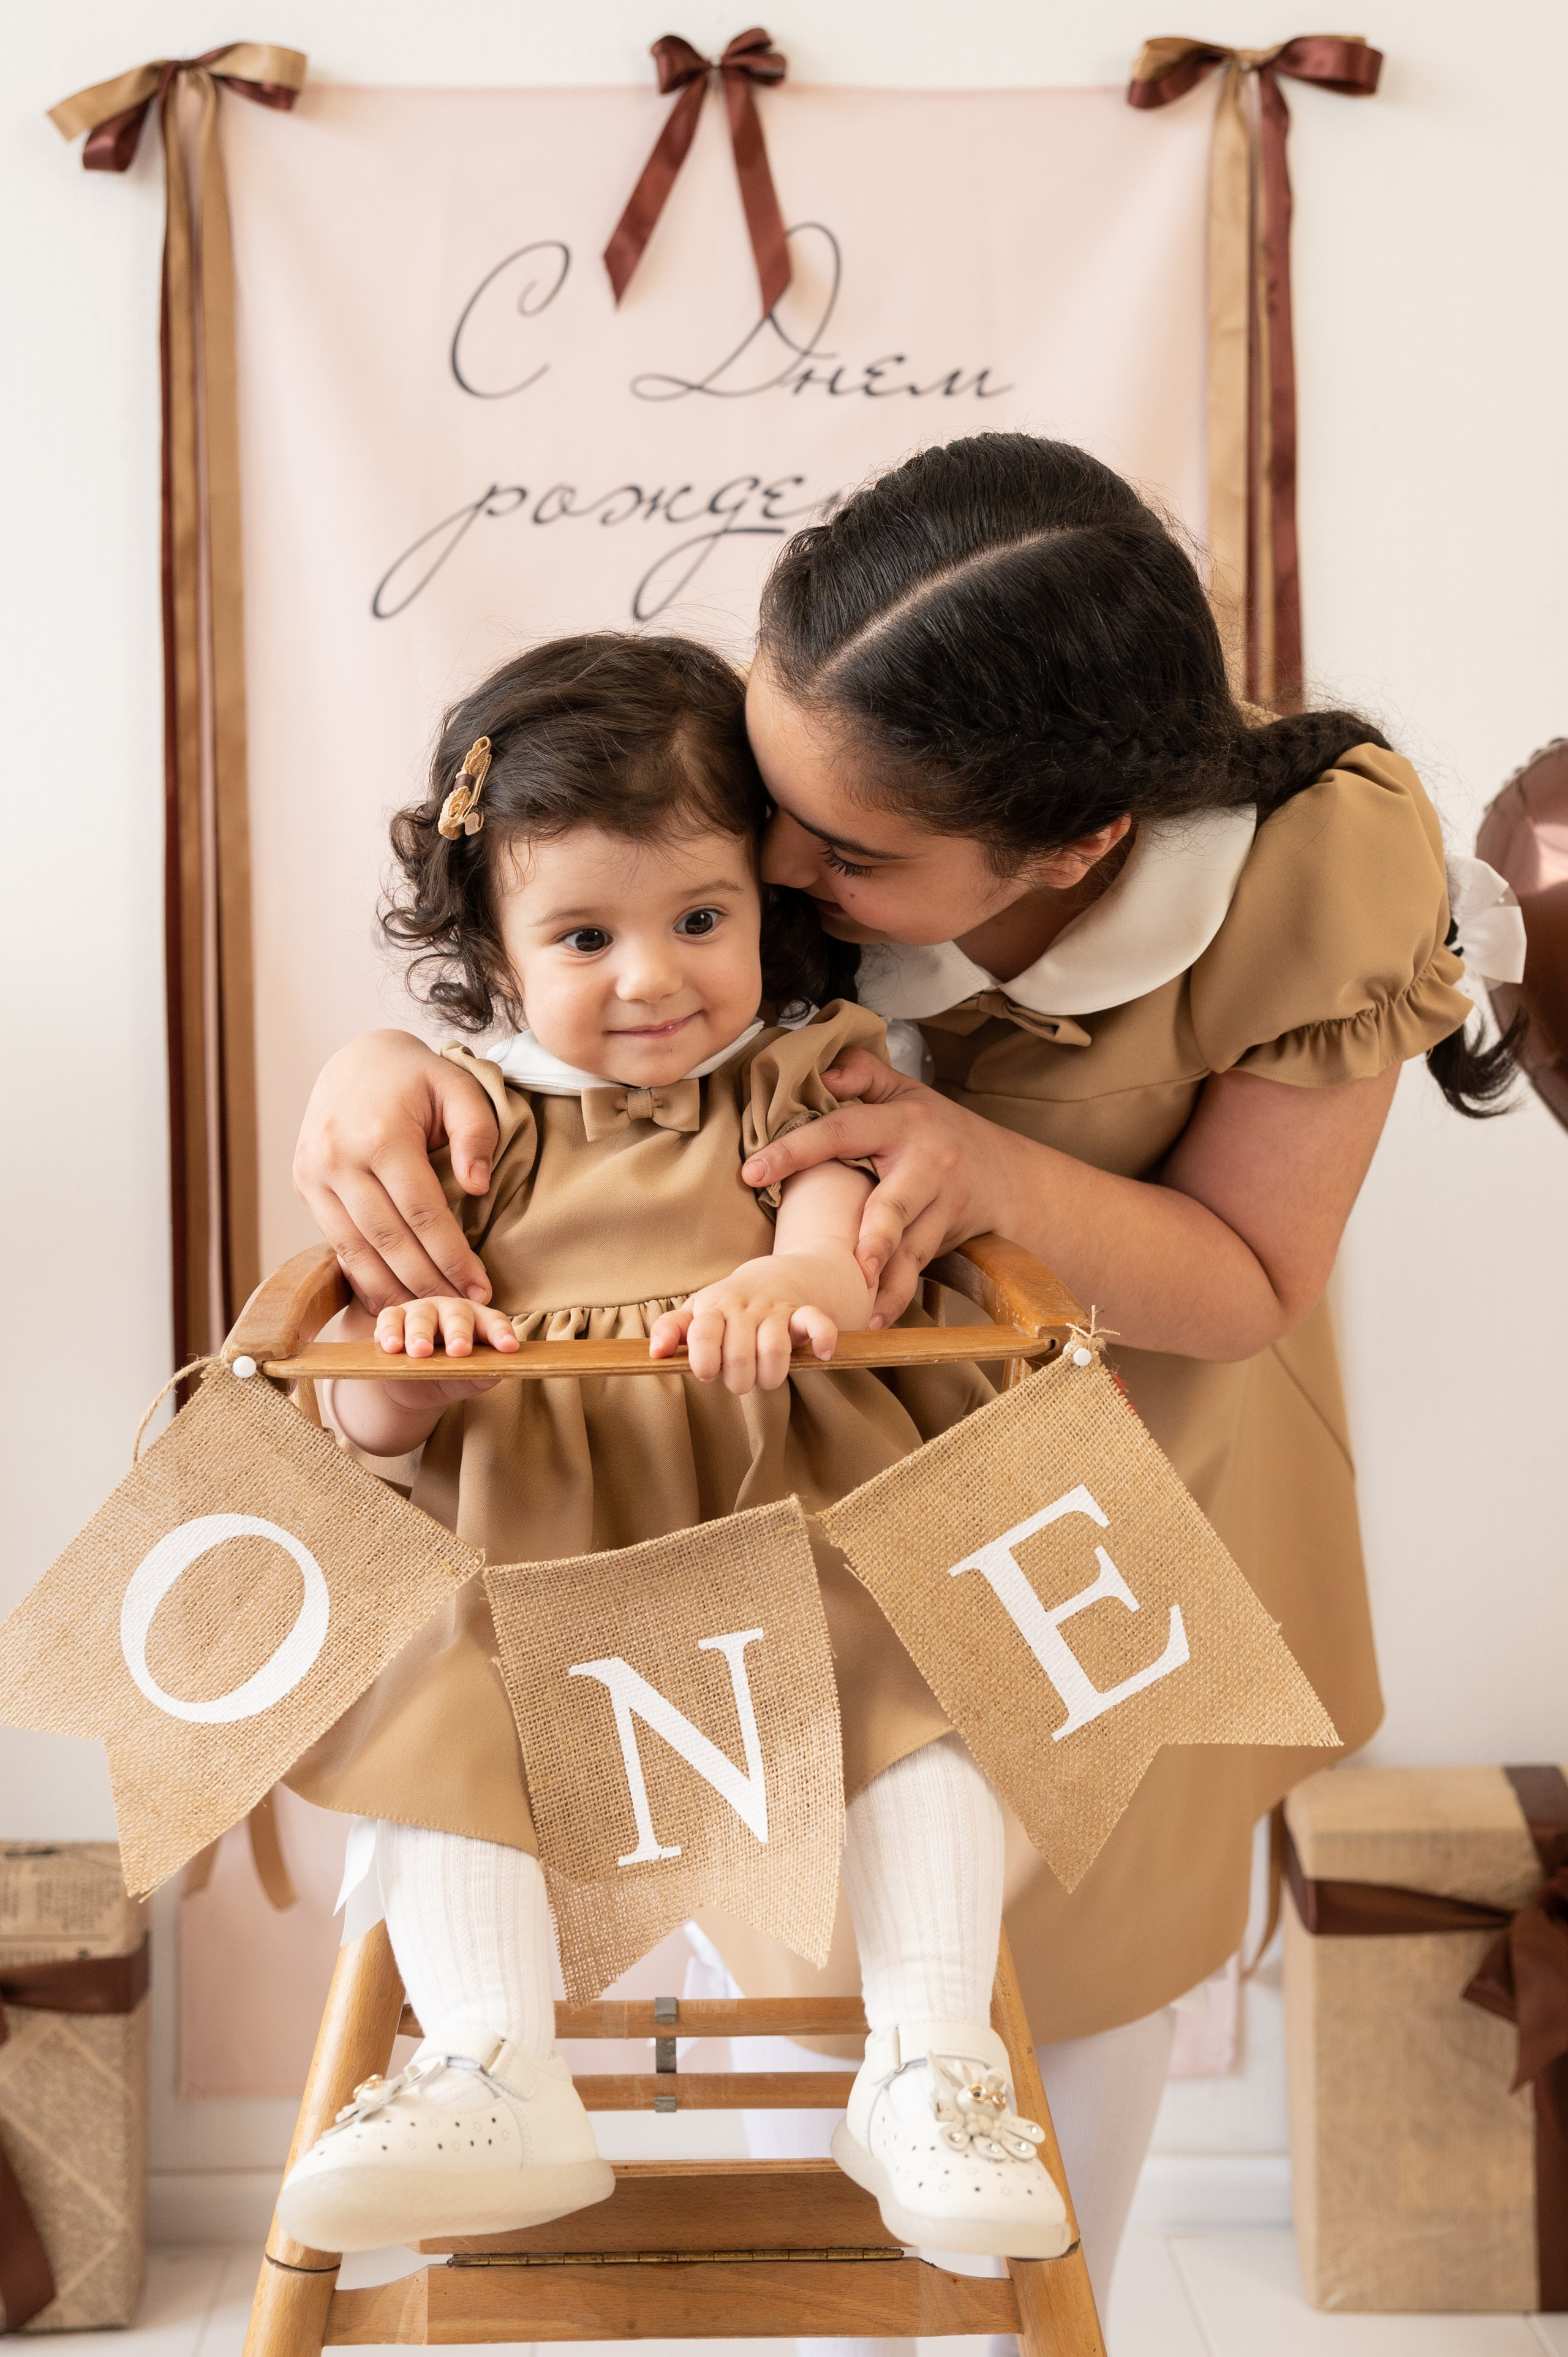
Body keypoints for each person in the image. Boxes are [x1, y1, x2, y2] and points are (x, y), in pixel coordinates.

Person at [292, 436, 1513, 2300]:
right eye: (771, 806)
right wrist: (376, 1066)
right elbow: (577, 922)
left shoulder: (1310, 868)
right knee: (779, 1929)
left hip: (1126, 1475)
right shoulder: (798, 816)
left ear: (1078, 842)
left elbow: (1253, 1273)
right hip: (774, 1484)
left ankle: (968, 2186)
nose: (773, 878)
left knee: (1053, 2010)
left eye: (842, 857)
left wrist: (992, 1177)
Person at [276, 633, 1067, 2264]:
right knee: (436, 1685)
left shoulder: (797, 1078)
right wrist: (411, 1376)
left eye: (698, 918)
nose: (652, 978)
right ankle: (494, 2064)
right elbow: (353, 1408)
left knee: (912, 1686)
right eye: (584, 933)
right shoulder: (463, 1121)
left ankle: (930, 2057)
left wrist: (793, 1278)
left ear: (767, 906)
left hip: (790, 1520)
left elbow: (847, 1246)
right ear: (491, 947)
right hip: (535, 1551)